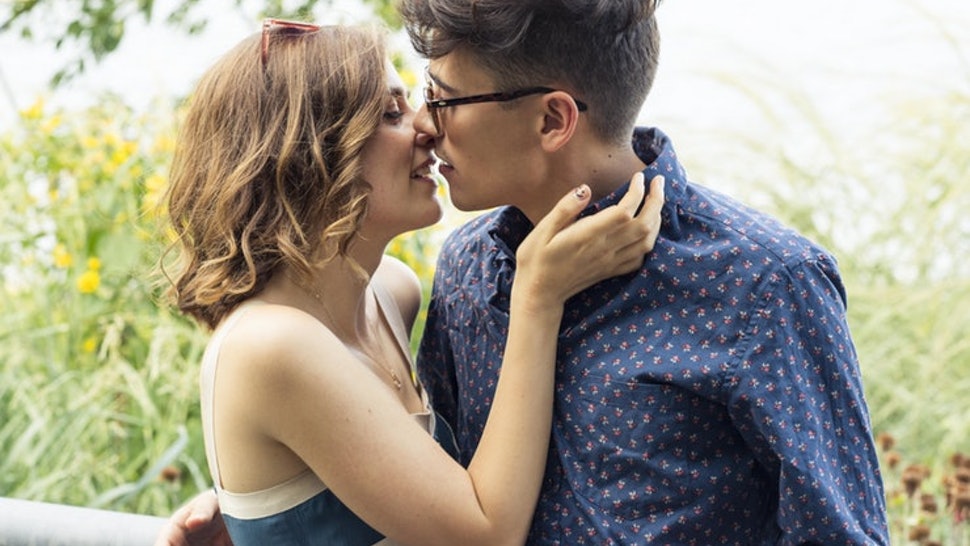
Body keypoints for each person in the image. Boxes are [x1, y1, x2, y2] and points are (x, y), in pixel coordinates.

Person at [160, 0, 892, 543]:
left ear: (552, 120)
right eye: (408, 103)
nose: (427, 125)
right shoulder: (467, 272)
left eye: (442, 98)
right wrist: (264, 507)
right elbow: (446, 492)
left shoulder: (764, 285)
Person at [158, 17, 664, 546]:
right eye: (390, 113)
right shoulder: (270, 345)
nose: (426, 125)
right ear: (309, 153)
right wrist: (538, 297)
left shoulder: (392, 293)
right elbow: (486, 537)